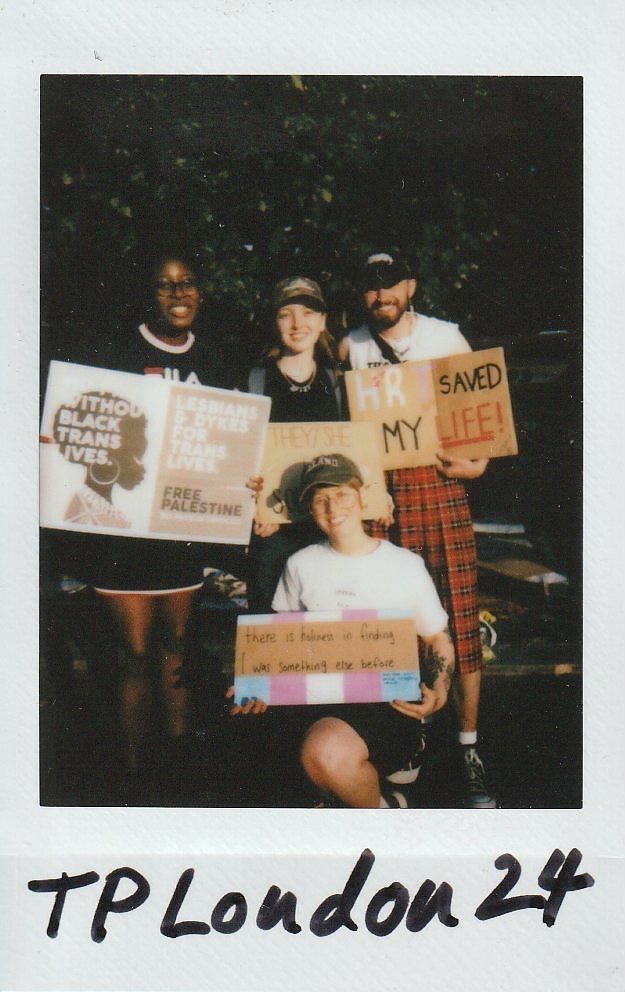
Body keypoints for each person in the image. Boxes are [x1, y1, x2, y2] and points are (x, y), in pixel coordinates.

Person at [45, 248, 234, 789]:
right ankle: (131, 776)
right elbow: (76, 430)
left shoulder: (217, 358)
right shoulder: (112, 353)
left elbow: (229, 444)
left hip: (180, 529)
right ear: (147, 294)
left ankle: (173, 770)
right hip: (122, 532)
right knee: (133, 653)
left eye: (188, 283)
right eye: (164, 285)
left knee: (175, 648)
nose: (178, 295)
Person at [339, 249, 495, 809]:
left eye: (390, 284)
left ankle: (469, 747)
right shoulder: (350, 346)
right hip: (381, 497)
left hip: (438, 487)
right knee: (392, 622)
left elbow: (482, 416)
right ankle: (409, 739)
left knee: (458, 618)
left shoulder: (447, 338)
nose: (381, 296)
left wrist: (477, 463)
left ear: (410, 285)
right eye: (370, 286)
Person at [230, 454, 455, 809]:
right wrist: (257, 682)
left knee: (326, 756)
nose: (333, 508)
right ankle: (380, 804)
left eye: (342, 494)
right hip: (317, 699)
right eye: (320, 500)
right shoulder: (300, 564)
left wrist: (440, 687)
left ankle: (379, 824)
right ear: (309, 509)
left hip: (387, 702)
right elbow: (281, 640)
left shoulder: (405, 566)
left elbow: (437, 637)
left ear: (363, 497)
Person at [245, 276, 343, 613]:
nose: (298, 324)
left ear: (322, 321)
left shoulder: (339, 383)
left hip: (328, 531)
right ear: (275, 323)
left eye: (308, 313)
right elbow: (238, 459)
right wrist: (253, 502)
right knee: (273, 641)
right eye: (286, 314)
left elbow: (358, 455)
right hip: (274, 536)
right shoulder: (254, 382)